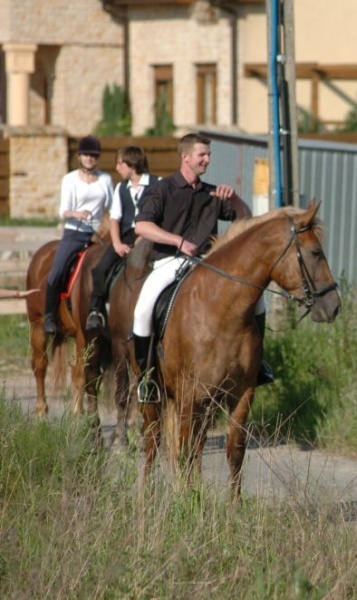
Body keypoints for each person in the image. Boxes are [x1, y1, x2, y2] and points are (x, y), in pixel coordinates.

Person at [131, 133, 270, 402]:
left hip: (208, 265)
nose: (207, 160)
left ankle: (258, 365)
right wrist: (177, 241)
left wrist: (236, 199)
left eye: (208, 155)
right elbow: (141, 226)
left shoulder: (213, 193)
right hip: (169, 261)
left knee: (258, 300)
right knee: (142, 310)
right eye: (202, 155)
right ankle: (147, 379)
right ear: (185, 157)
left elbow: (246, 221)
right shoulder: (162, 189)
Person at [44, 135, 114, 333]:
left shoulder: (105, 179)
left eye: (93, 155)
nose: (89, 158)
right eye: (86, 155)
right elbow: (63, 211)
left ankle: (101, 313)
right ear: (80, 156)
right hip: (75, 233)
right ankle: (50, 315)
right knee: (57, 271)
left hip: (97, 235)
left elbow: (111, 207)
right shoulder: (70, 179)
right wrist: (77, 214)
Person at [85, 146, 160, 330]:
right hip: (126, 236)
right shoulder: (121, 188)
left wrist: (144, 239)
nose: (117, 168)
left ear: (132, 164)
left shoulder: (157, 183)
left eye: (120, 164)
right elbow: (114, 219)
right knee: (100, 269)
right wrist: (117, 243)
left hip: (151, 236)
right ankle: (96, 311)